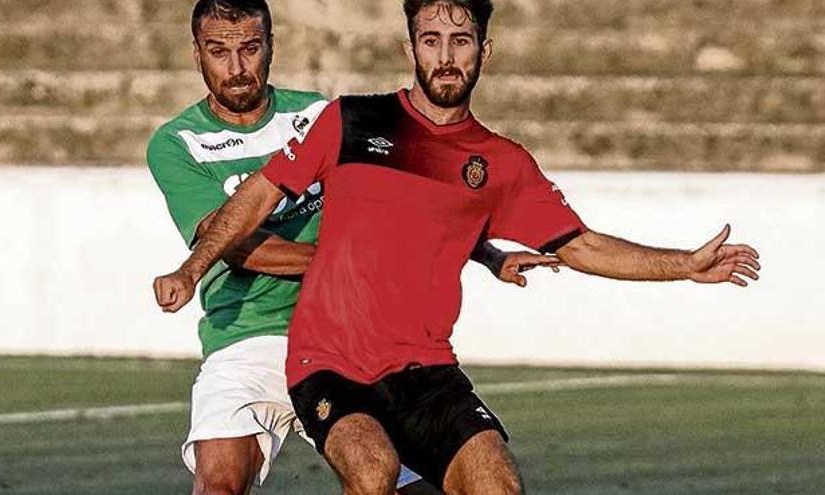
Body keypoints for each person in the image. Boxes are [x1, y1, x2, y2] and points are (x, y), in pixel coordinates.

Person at [152, 0, 761, 494]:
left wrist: (684, 265)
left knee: (496, 482)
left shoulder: (499, 162)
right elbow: (250, 209)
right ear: (409, 48)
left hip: (422, 367)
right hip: (312, 350)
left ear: (483, 52)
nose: (446, 56)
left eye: (461, 40)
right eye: (431, 39)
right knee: (346, 474)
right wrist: (190, 268)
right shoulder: (349, 122)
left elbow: (578, 245)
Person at [146, 1, 550, 493]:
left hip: (348, 334)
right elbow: (230, 241)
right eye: (219, 51)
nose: (236, 68)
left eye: (250, 49)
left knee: (403, 481)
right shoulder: (177, 142)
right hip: (247, 338)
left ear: (271, 47)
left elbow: (413, 208)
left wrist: (487, 253)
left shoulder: (318, 114)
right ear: (196, 55)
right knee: (219, 483)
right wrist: (348, 261)